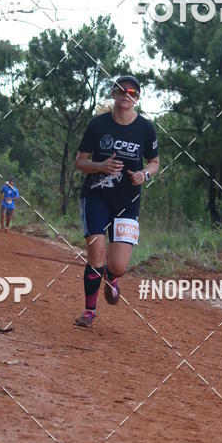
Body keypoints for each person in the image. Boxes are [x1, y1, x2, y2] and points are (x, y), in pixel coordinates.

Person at [73, 75, 159, 328]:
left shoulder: (146, 128)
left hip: (128, 201)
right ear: (113, 94)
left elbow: (154, 162)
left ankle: (112, 276)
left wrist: (143, 175)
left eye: (132, 92)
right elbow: (80, 161)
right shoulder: (98, 125)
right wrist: (100, 166)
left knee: (118, 265)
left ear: (138, 98)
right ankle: (89, 311)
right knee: (96, 255)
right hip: (96, 196)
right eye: (121, 90)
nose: (126, 95)